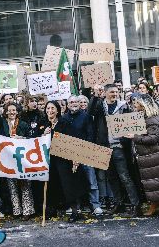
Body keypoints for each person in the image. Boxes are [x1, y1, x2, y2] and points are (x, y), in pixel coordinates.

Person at [88, 84, 140, 216]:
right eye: (111, 92)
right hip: (105, 147)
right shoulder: (100, 105)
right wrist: (95, 95)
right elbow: (90, 112)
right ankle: (119, 203)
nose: (115, 94)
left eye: (116, 92)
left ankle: (135, 205)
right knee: (111, 177)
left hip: (119, 147)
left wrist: (125, 141)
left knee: (125, 177)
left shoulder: (124, 106)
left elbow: (130, 125)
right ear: (105, 93)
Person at [0, 95, 35, 220]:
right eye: (9, 110)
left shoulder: (23, 124)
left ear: (17, 112)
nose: (11, 112)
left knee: (24, 184)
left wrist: (21, 138)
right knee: (11, 185)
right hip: (7, 158)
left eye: (13, 110)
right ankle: (17, 210)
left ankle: (27, 211)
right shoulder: (2, 124)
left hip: (22, 157)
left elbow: (30, 139)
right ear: (5, 112)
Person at [61, 96, 102, 216]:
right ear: (68, 105)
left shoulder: (86, 117)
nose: (74, 104)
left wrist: (84, 151)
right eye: (71, 102)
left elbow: (90, 135)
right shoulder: (63, 119)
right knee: (74, 182)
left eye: (76, 102)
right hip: (70, 156)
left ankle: (95, 205)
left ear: (80, 104)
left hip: (86, 153)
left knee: (91, 180)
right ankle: (76, 206)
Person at [128, 94, 159, 216]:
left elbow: (154, 138)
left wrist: (135, 137)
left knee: (154, 182)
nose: (134, 106)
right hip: (148, 156)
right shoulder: (145, 118)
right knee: (152, 183)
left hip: (152, 155)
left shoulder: (151, 119)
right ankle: (154, 205)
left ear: (143, 105)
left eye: (136, 103)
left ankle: (153, 205)